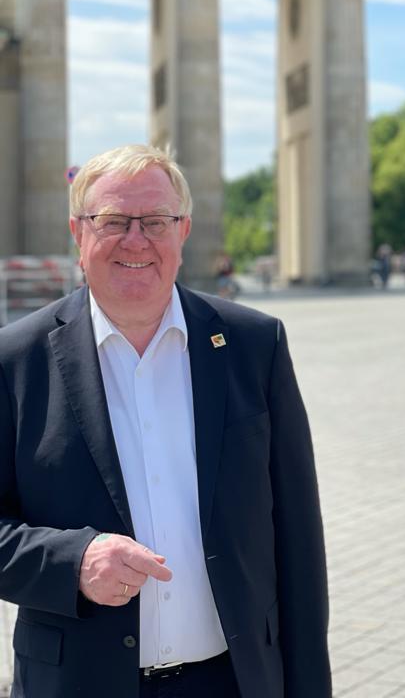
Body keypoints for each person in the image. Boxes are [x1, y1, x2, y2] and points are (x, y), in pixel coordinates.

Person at [0, 144, 331, 698]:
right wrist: (70, 561)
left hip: (233, 680)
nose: (137, 240)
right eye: (112, 221)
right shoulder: (15, 361)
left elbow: (298, 538)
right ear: (78, 235)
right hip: (78, 684)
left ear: (183, 231)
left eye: (156, 221)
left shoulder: (254, 344)